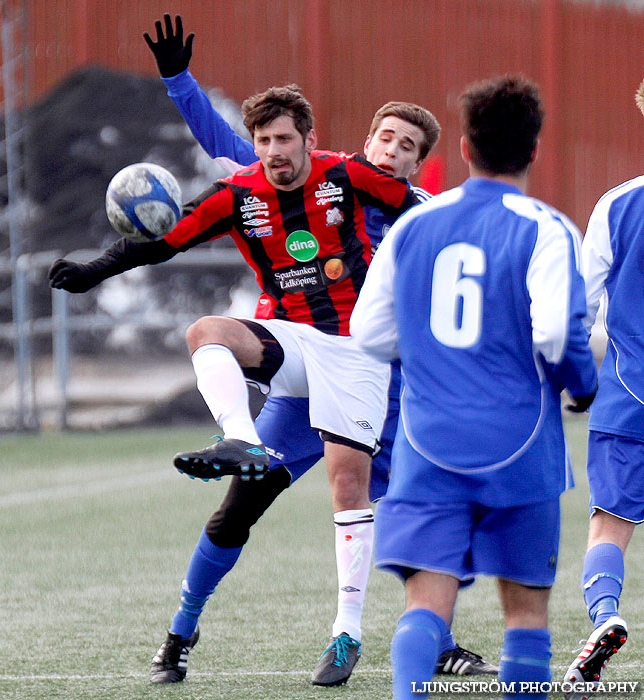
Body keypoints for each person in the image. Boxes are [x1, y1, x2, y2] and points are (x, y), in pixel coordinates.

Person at [142, 13, 497, 685]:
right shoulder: (311, 180)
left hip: (377, 389)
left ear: (419, 163)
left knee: (418, 512)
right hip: (300, 380)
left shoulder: (420, 215)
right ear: (367, 140)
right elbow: (226, 146)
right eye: (384, 136)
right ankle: (179, 633)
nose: (391, 149)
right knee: (238, 509)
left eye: (406, 145)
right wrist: (179, 81)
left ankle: (437, 640)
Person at [48, 83, 421, 685]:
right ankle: (182, 623)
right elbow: (166, 241)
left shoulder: (348, 176)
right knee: (208, 336)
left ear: (310, 140)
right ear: (255, 145)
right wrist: (96, 269)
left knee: (350, 487)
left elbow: (423, 211)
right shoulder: (238, 193)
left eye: (284, 140)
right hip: (292, 345)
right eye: (264, 140)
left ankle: (347, 632)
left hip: (356, 355)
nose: (275, 151)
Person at [350, 75, 598, 699]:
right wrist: (583, 387)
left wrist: (435, 355)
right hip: (521, 445)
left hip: (429, 443)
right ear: (535, 149)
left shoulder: (413, 226)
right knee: (524, 618)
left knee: (425, 607)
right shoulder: (547, 228)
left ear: (461, 147)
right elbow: (555, 337)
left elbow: (370, 333)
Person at [562, 79, 644, 700]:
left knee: (609, 525)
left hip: (628, 395)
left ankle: (605, 617)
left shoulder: (617, 205)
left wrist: (574, 383)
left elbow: (579, 311)